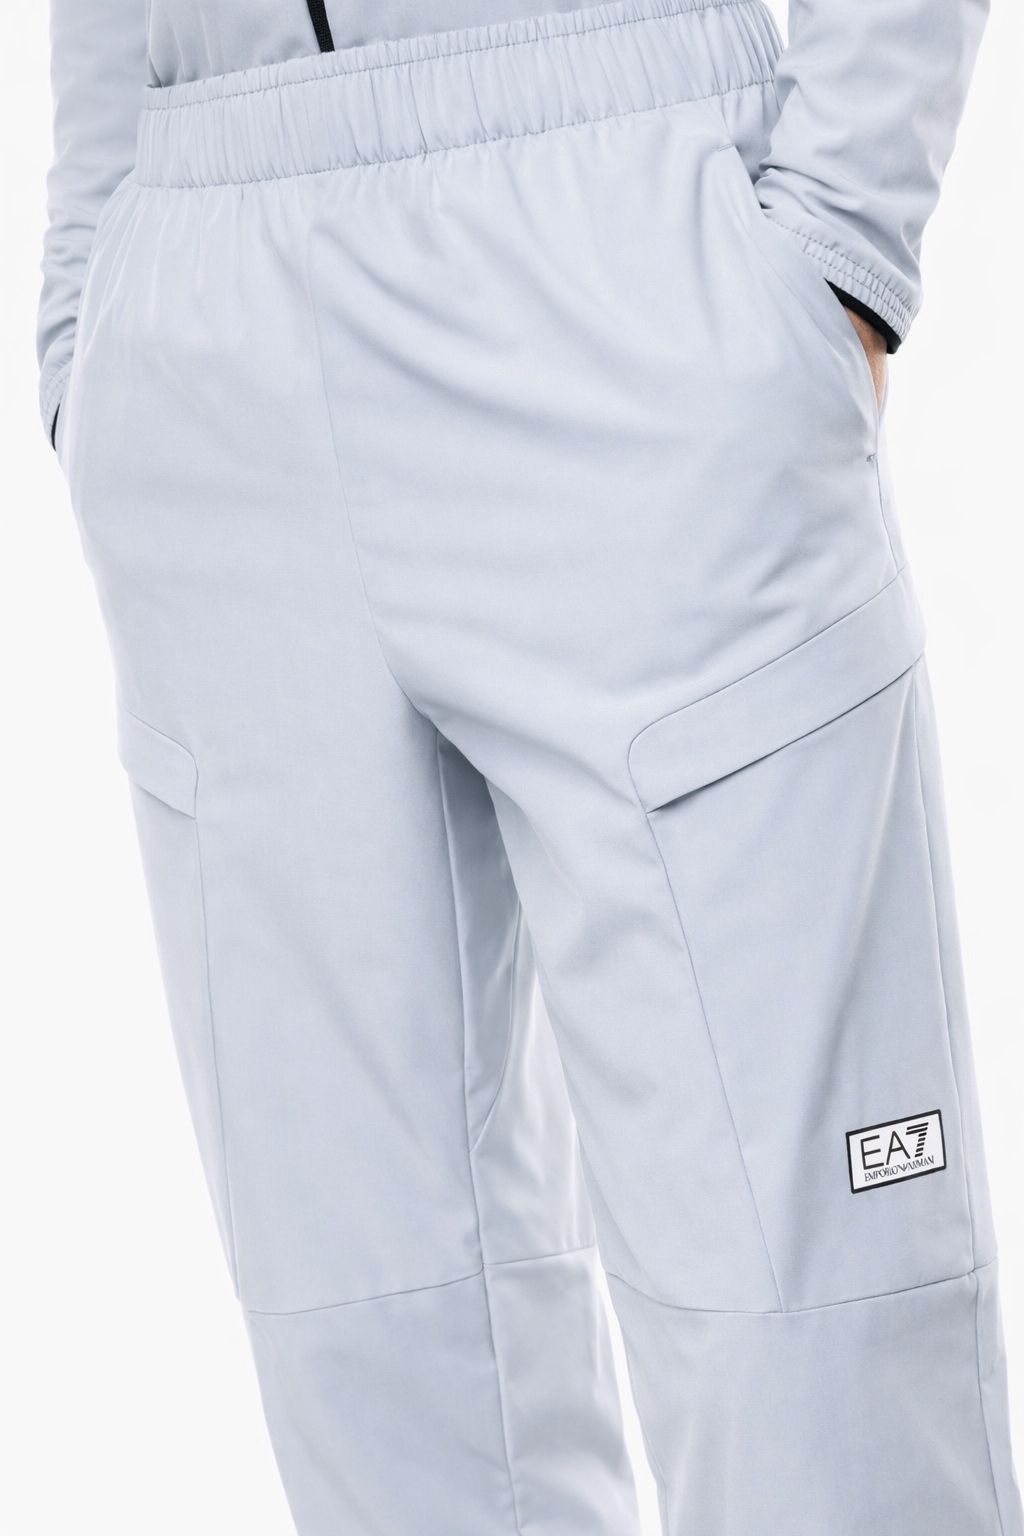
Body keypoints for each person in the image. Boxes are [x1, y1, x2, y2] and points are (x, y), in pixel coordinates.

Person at [38, 0, 1022, 1532]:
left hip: (619, 225)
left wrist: (846, 234)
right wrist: (87, 301)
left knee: (812, 1358)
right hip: (207, 290)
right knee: (380, 1362)